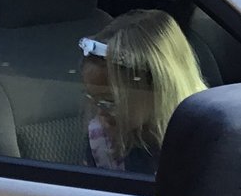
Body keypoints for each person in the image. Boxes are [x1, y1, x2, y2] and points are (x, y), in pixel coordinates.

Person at [78, 9, 207, 175]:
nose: (100, 112)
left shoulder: (204, 140)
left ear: (157, 90)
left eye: (110, 101)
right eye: (92, 98)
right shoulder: (102, 140)